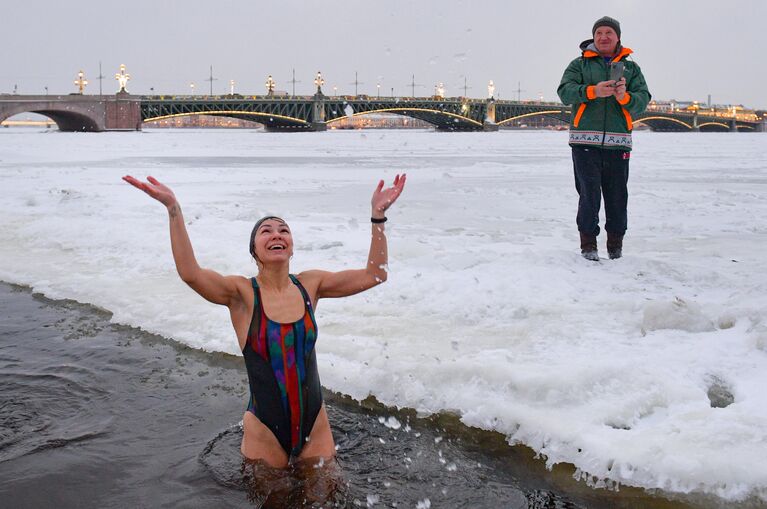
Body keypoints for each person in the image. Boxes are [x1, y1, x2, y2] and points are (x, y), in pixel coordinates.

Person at [122, 174, 406, 469]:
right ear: (254, 250)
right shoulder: (241, 294)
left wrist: (378, 217)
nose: (277, 235)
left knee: (327, 496)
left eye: (284, 230)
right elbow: (190, 273)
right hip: (264, 431)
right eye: (266, 231)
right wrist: (173, 209)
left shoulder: (310, 285)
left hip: (316, 427)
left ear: (292, 247)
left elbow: (375, 274)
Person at [557, 16, 650, 260]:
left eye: (609, 32)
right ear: (594, 37)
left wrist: (625, 98)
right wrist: (593, 91)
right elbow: (565, 92)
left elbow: (643, 100)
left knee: (617, 196)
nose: (604, 37)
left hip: (618, 143)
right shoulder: (579, 65)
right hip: (584, 142)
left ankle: (615, 246)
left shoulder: (632, 68)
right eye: (599, 33)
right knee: (589, 195)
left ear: (618, 37)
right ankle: (588, 246)